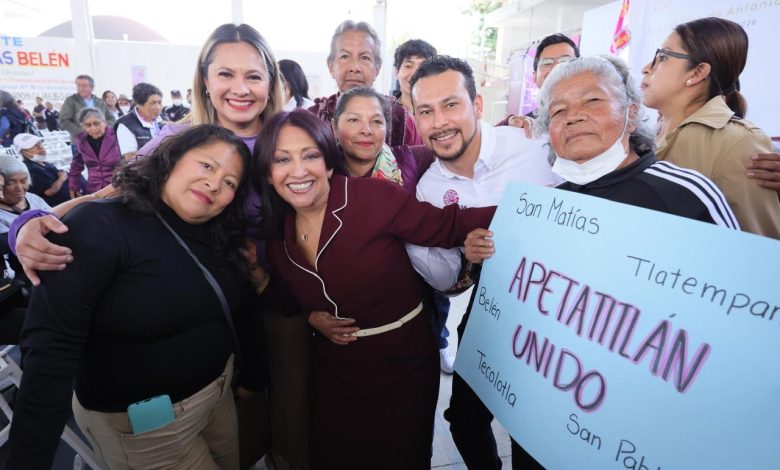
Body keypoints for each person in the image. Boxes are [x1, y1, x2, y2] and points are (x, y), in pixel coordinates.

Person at [6, 125, 268, 470]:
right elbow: (50, 351)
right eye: (206, 165)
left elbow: (243, 307)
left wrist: (253, 378)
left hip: (219, 399)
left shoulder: (221, 233)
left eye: (230, 182)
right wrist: (27, 460)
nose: (214, 183)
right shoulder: (99, 226)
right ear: (171, 159)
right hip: (147, 430)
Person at [256, 109, 494, 469]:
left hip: (403, 365)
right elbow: (290, 299)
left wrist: (540, 207)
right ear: (268, 174)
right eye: (282, 159)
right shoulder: (278, 237)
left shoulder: (375, 197)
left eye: (310, 156)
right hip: (335, 374)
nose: (299, 171)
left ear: (329, 163)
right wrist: (309, 315)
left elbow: (449, 225)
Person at [401, 55, 559, 469]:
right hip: (493, 307)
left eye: (451, 104)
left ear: (477, 104)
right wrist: (466, 258)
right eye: (426, 111)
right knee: (464, 419)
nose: (440, 122)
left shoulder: (534, 148)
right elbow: (449, 282)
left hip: (562, 316)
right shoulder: (429, 189)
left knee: (534, 433)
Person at [640, 17, 780, 238]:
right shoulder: (639, 138)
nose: (646, 68)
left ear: (697, 73)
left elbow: (759, 248)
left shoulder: (738, 141)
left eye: (663, 57)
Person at [309, 20, 422, 147]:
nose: (354, 67)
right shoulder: (314, 118)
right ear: (331, 67)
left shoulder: (401, 120)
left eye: (365, 58)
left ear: (377, 69)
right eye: (345, 56)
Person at [332, 86, 432, 191]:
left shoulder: (409, 159)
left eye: (376, 121)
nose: (366, 130)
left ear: (387, 128)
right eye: (354, 120)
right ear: (335, 127)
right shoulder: (324, 170)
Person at [498, 32, 580, 128]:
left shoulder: (593, 117)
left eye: (565, 61)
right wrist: (508, 122)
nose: (556, 68)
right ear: (534, 77)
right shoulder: (526, 126)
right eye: (547, 62)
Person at [69, 107, 122, 197]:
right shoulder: (81, 141)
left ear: (104, 122)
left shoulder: (117, 135)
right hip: (94, 189)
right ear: (83, 127)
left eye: (97, 123)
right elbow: (76, 167)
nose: (93, 128)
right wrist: (73, 186)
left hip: (117, 187)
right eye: (88, 125)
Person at [13, 133, 70, 206]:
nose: (40, 147)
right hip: (61, 206)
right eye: (34, 146)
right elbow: (49, 192)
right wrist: (62, 178)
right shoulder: (30, 169)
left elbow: (62, 173)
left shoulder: (45, 163)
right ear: (23, 152)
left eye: (39, 143)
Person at [114, 82, 164, 159]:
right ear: (139, 104)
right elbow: (131, 158)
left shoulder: (162, 120)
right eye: (153, 103)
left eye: (159, 102)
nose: (158, 107)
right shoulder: (125, 125)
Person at [59, 74, 114, 143]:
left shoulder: (100, 102)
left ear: (92, 87)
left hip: (101, 141)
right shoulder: (70, 101)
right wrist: (83, 132)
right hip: (80, 142)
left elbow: (111, 118)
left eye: (84, 86)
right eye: (78, 85)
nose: (81, 88)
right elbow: (63, 121)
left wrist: (103, 128)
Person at [393, 39, 437, 115]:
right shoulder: (384, 111)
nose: (414, 73)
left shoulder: (440, 112)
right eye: (408, 66)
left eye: (422, 67)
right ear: (396, 73)